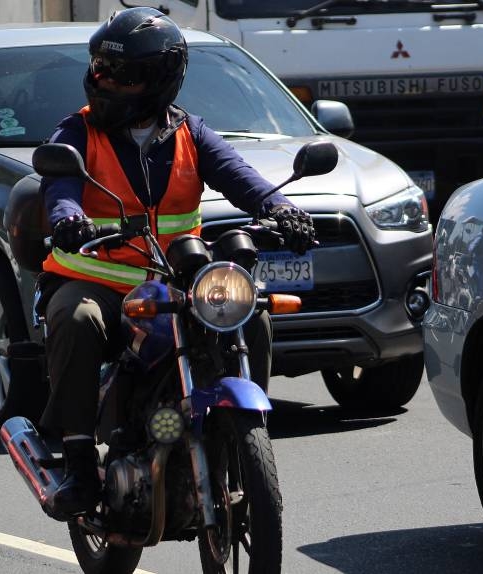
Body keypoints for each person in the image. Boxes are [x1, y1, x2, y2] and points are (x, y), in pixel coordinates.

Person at [37, 7, 317, 520]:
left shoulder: (190, 133)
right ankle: (78, 461)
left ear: (158, 80)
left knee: (250, 311)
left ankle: (239, 434)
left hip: (175, 280)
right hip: (95, 279)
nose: (103, 80)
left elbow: (240, 175)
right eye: (100, 67)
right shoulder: (76, 132)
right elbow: (60, 190)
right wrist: (68, 219)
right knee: (74, 318)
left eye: (119, 73)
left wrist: (281, 209)